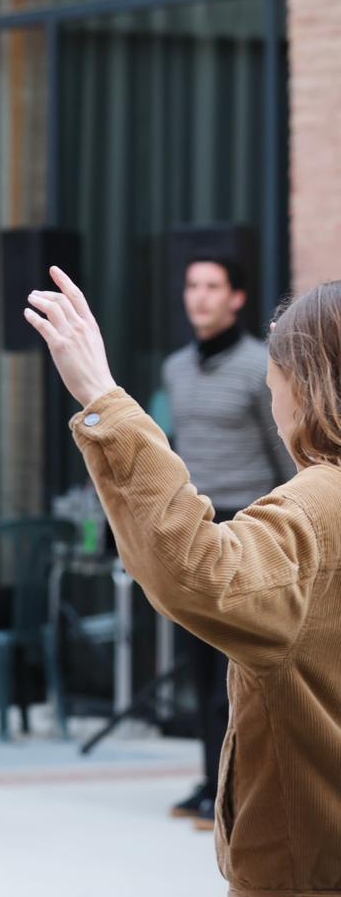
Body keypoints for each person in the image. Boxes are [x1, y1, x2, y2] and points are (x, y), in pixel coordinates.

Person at [26, 268, 341, 896]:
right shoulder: (180, 370)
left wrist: (102, 401)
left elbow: (196, 570)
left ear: (302, 385)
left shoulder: (317, 510)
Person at [160, 257, 295, 831]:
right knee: (199, 663)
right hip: (195, 524)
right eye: (192, 285)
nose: (201, 297)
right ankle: (213, 779)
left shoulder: (258, 367)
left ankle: (245, 787)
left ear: (237, 298)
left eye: (213, 286)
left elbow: (283, 451)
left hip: (249, 523)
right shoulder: (175, 369)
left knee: (239, 667)